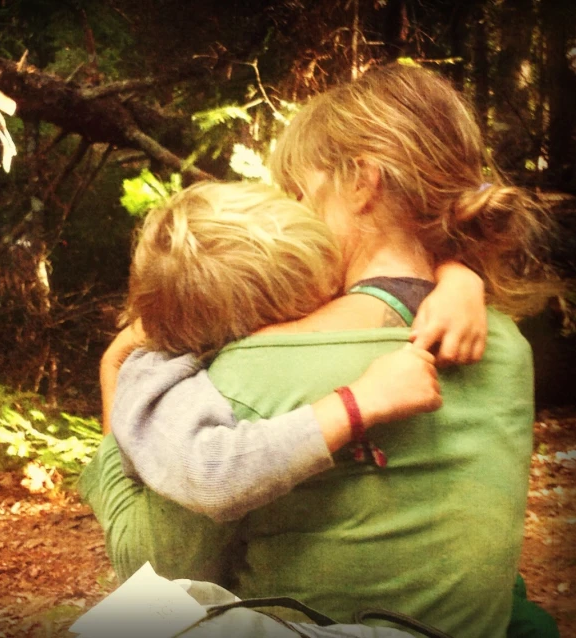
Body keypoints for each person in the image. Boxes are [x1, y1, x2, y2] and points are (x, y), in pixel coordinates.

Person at [87, 64, 560, 637]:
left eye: (300, 192)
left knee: (128, 621)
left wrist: (116, 377)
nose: (294, 213)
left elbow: (152, 568)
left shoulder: (250, 371)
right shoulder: (503, 344)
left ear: (362, 182)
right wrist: (459, 272)